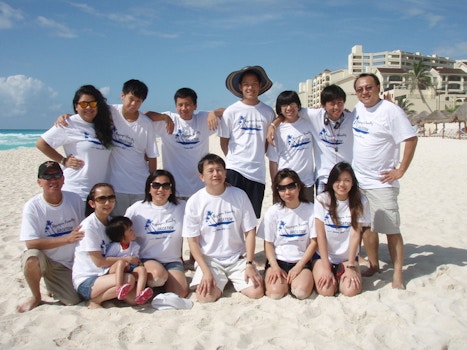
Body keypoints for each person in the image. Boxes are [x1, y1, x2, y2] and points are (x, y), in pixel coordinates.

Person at [352, 73, 417, 289]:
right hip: (359, 181)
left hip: (382, 182)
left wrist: (401, 170)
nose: (364, 92)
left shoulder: (391, 111)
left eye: (368, 87)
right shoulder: (358, 109)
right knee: (367, 228)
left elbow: (411, 138)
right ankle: (373, 265)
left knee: (390, 229)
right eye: (360, 89)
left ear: (378, 87)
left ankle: (398, 273)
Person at [182, 153, 264, 302]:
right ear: (201, 176)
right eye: (211, 171)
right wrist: (206, 271)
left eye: (219, 170)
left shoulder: (239, 195)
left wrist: (250, 263)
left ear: (225, 173)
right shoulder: (195, 201)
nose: (216, 174)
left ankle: (228, 279)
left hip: (237, 258)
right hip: (210, 260)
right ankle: (218, 280)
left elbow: (250, 231)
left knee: (257, 292)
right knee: (205, 297)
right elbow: (192, 241)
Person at [18, 161, 85, 313]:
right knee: (31, 257)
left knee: (74, 299)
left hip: (68, 263)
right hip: (46, 260)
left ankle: (52, 284)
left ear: (63, 179)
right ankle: (36, 296)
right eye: (47, 176)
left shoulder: (75, 200)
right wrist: (66, 239)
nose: (53, 180)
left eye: (57, 175)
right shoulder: (33, 206)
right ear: (39, 182)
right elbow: (30, 243)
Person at [268, 85, 354, 195]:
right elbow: (287, 112)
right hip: (322, 177)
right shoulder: (315, 116)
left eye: (340, 103)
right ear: (323, 105)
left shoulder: (350, 118)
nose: (336, 107)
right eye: (332, 104)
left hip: (341, 177)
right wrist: (272, 125)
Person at [36, 85, 114, 201]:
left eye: (92, 103)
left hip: (99, 192)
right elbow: (41, 144)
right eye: (83, 104)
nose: (88, 107)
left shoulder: (105, 125)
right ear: (76, 106)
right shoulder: (69, 124)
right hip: (77, 190)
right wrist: (63, 160)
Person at [146, 88, 224, 200]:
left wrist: (214, 112)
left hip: (200, 188)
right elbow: (144, 115)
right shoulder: (169, 120)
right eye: (180, 105)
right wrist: (164, 117)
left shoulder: (203, 119)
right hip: (174, 189)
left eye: (187, 104)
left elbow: (230, 112)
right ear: (175, 106)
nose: (183, 108)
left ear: (195, 106)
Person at [218, 65, 275, 218]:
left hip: (257, 173)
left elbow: (266, 142)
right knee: (232, 216)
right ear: (240, 87)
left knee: (251, 217)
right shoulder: (231, 111)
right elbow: (224, 141)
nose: (250, 87)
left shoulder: (268, 112)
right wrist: (232, 160)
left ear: (260, 86)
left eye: (254, 83)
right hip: (235, 170)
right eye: (246, 84)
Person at [72, 183, 139, 308]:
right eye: (102, 199)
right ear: (92, 203)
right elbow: (98, 261)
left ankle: (109, 296)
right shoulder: (89, 226)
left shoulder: (111, 222)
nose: (107, 203)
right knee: (128, 280)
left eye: (111, 198)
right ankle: (95, 301)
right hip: (88, 279)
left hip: (106, 274)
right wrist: (126, 259)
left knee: (135, 299)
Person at [124, 170, 189, 298]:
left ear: (171, 190)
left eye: (166, 186)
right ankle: (146, 281)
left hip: (172, 261)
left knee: (180, 293)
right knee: (158, 276)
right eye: (156, 185)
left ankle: (162, 284)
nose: (161, 189)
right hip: (147, 259)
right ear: (149, 189)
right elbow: (122, 234)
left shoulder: (182, 207)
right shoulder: (136, 209)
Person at [312, 162, 370, 297]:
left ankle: (341, 275)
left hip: (347, 257)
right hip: (324, 256)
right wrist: (326, 267)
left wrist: (350, 265)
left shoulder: (361, 200)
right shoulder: (322, 199)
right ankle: (331, 274)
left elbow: (356, 235)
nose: (342, 185)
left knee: (351, 291)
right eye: (338, 180)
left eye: (347, 180)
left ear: (352, 183)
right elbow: (321, 235)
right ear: (331, 181)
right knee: (326, 290)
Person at [257, 169, 316, 300]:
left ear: (299, 186)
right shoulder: (273, 212)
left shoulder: (311, 209)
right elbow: (268, 243)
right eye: (282, 188)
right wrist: (274, 266)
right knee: (275, 294)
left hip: (301, 260)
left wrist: (299, 266)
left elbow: (314, 242)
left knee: (301, 292)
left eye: (291, 186)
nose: (287, 192)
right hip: (278, 261)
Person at [108, 79, 159, 216]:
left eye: (138, 101)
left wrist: (151, 182)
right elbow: (87, 116)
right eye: (131, 99)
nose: (133, 104)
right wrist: (68, 116)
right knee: (118, 227)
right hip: (115, 186)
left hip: (139, 185)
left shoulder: (146, 124)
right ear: (122, 96)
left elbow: (152, 156)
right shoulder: (109, 112)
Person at [267, 91, 315, 202]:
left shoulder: (309, 123)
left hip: (306, 183)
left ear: (298, 105)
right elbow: (273, 161)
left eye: (292, 104)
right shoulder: (276, 131)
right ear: (279, 108)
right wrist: (275, 185)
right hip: (285, 184)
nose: (289, 108)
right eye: (284, 105)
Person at [105, 216, 154, 305]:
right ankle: (119, 288)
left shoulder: (134, 245)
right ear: (121, 236)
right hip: (116, 269)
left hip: (129, 269)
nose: (133, 232)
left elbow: (135, 258)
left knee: (141, 270)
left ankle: (140, 293)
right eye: (130, 230)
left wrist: (139, 263)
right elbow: (108, 260)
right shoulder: (115, 247)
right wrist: (124, 261)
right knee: (121, 262)